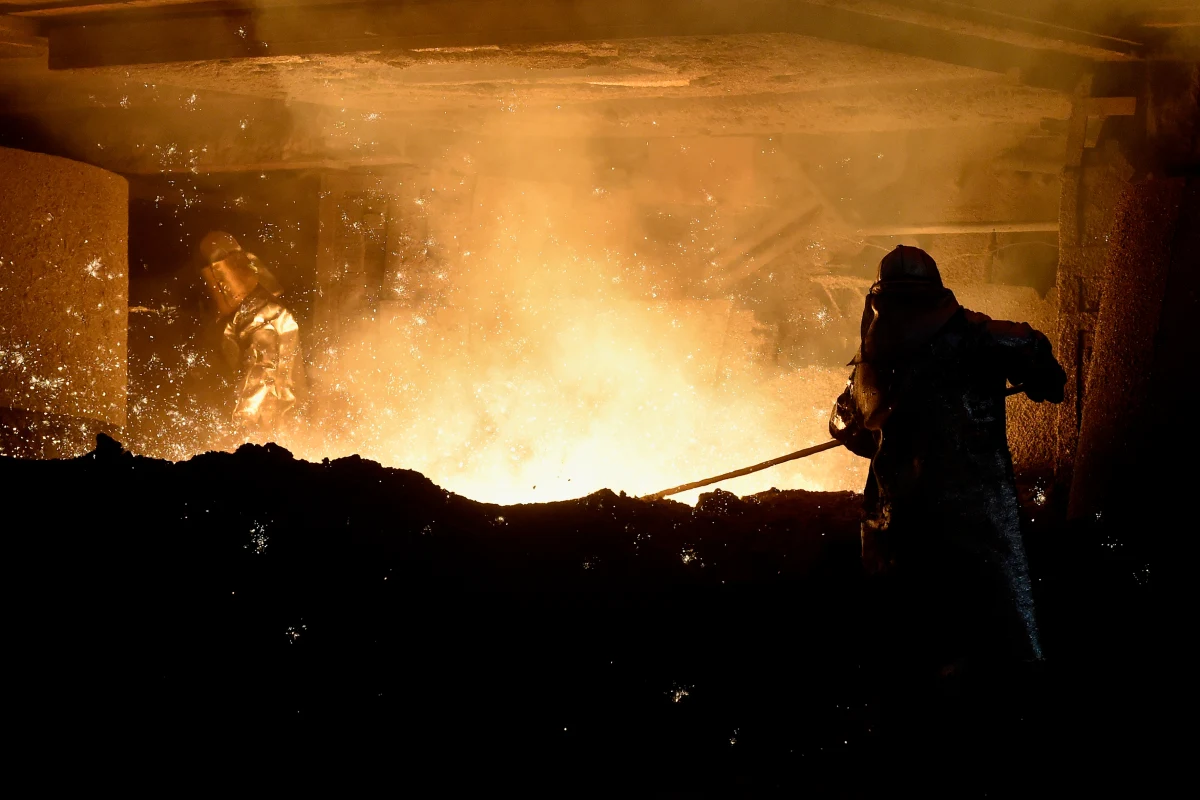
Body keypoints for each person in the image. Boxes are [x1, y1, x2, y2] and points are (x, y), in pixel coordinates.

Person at [829, 245, 1065, 667]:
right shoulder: (980, 338)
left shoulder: (870, 366)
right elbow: (1033, 350)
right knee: (995, 633)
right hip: (977, 515)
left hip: (902, 520)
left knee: (915, 640)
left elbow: (852, 432)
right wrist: (1040, 375)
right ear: (937, 291)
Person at [197, 231, 301, 444]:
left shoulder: (262, 317)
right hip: (273, 420)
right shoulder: (258, 310)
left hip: (263, 420)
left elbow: (261, 370)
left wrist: (241, 420)